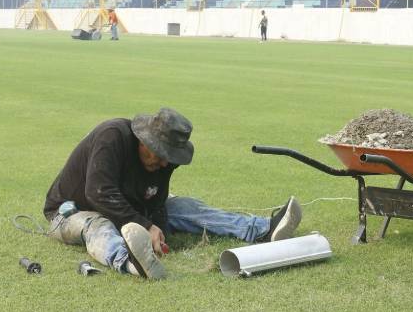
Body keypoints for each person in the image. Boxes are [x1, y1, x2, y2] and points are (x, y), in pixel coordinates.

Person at [43, 108, 302, 280]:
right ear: (143, 141)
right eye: (161, 154)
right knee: (98, 224)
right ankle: (131, 262)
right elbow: (99, 192)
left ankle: (261, 229)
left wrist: (158, 228)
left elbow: (157, 199)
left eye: (170, 157)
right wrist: (145, 225)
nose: (165, 163)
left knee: (185, 206)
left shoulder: (164, 162)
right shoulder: (112, 136)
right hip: (71, 212)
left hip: (126, 208)